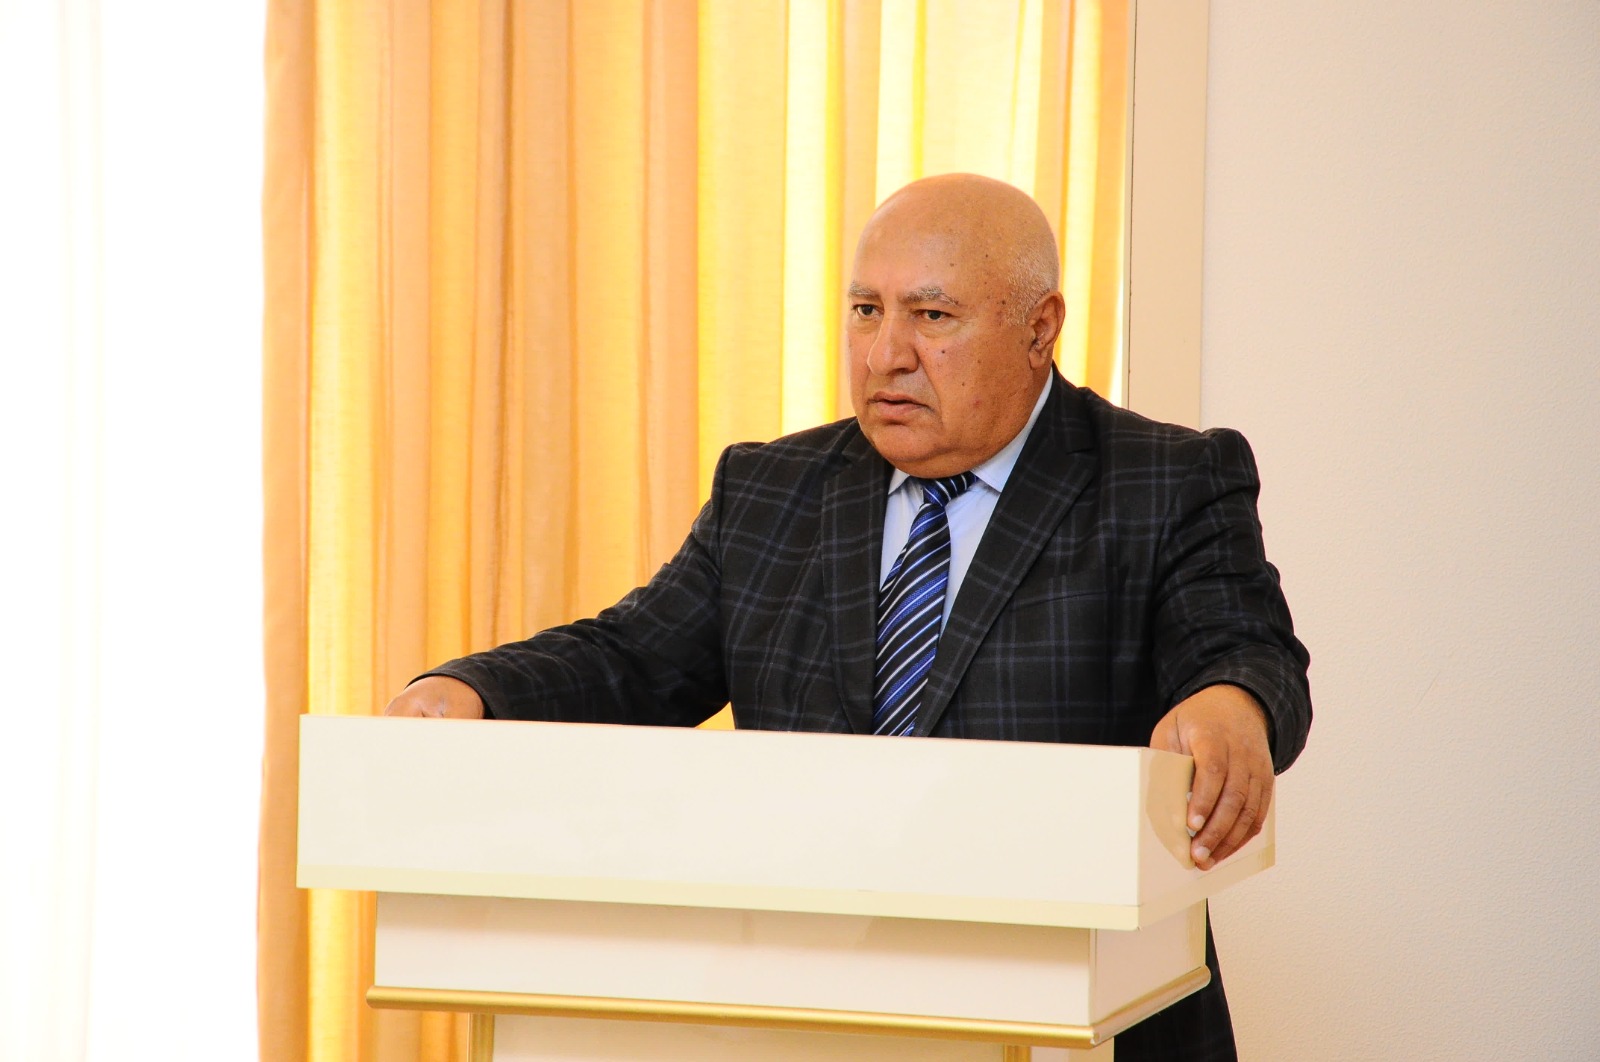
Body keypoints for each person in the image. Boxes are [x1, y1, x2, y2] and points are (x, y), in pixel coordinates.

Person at [386, 173, 1311, 1061]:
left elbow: (1244, 649)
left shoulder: (1164, 480)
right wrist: (475, 691)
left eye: (931, 316)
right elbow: (633, 657)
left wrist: (1232, 704)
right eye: (867, 310)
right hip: (813, 1014)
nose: (884, 355)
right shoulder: (769, 489)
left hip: (1081, 1021)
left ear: (1040, 328)